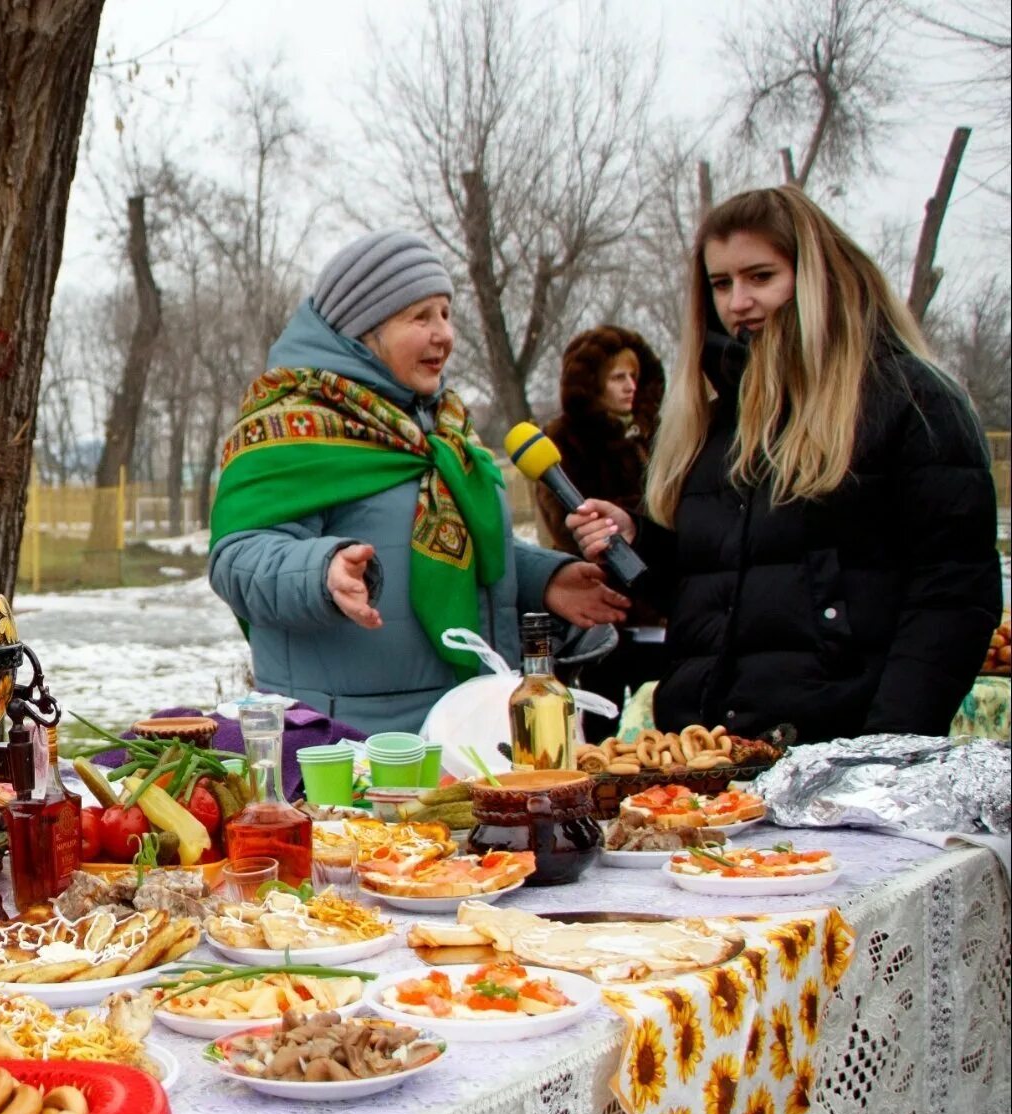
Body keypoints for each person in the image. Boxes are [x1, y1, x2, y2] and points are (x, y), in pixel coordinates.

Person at [568, 186, 1002, 742]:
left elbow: (955, 595)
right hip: (711, 754)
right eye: (721, 284)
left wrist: (890, 745)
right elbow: (726, 586)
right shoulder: (715, 424)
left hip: (842, 749)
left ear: (818, 276)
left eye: (761, 277)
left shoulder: (912, 401)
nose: (737, 302)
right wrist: (640, 541)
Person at [209, 229, 629, 735]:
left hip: (463, 727)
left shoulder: (446, 429)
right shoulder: (293, 425)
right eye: (420, 316)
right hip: (348, 740)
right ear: (364, 330)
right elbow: (238, 558)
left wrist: (546, 579)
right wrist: (322, 571)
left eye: (446, 314)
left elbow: (454, 550)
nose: (444, 334)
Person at [536, 325, 671, 734]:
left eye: (634, 377)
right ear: (593, 382)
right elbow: (566, 520)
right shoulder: (564, 440)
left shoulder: (660, 433)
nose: (630, 386)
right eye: (618, 377)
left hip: (660, 608)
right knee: (601, 725)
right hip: (602, 606)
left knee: (667, 728)